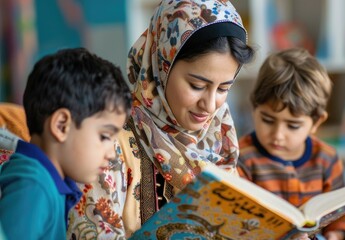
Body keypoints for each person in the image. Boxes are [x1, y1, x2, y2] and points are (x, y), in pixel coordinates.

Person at [66, 0, 257, 239]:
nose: (209, 106)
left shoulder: (220, 140)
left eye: (223, 89)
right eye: (197, 86)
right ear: (161, 66)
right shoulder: (109, 145)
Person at [0, 48, 132, 239]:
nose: (111, 153)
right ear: (61, 125)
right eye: (104, 136)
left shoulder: (44, 181)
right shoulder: (34, 186)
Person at [237, 48, 345, 240]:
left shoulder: (327, 158)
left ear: (316, 122)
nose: (278, 135)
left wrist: (335, 235)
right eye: (267, 120)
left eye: (292, 126)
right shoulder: (241, 157)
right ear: (254, 108)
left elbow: (342, 215)